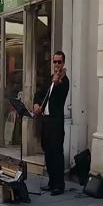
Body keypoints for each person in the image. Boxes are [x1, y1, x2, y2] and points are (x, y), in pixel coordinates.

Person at [34, 50, 70, 196]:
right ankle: (51, 182)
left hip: (56, 122)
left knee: (57, 153)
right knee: (48, 152)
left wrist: (58, 82)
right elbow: (39, 94)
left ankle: (59, 185)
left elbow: (61, 94)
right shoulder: (50, 79)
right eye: (55, 61)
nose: (57, 64)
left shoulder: (64, 81)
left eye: (59, 62)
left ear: (63, 63)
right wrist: (36, 104)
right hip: (46, 120)